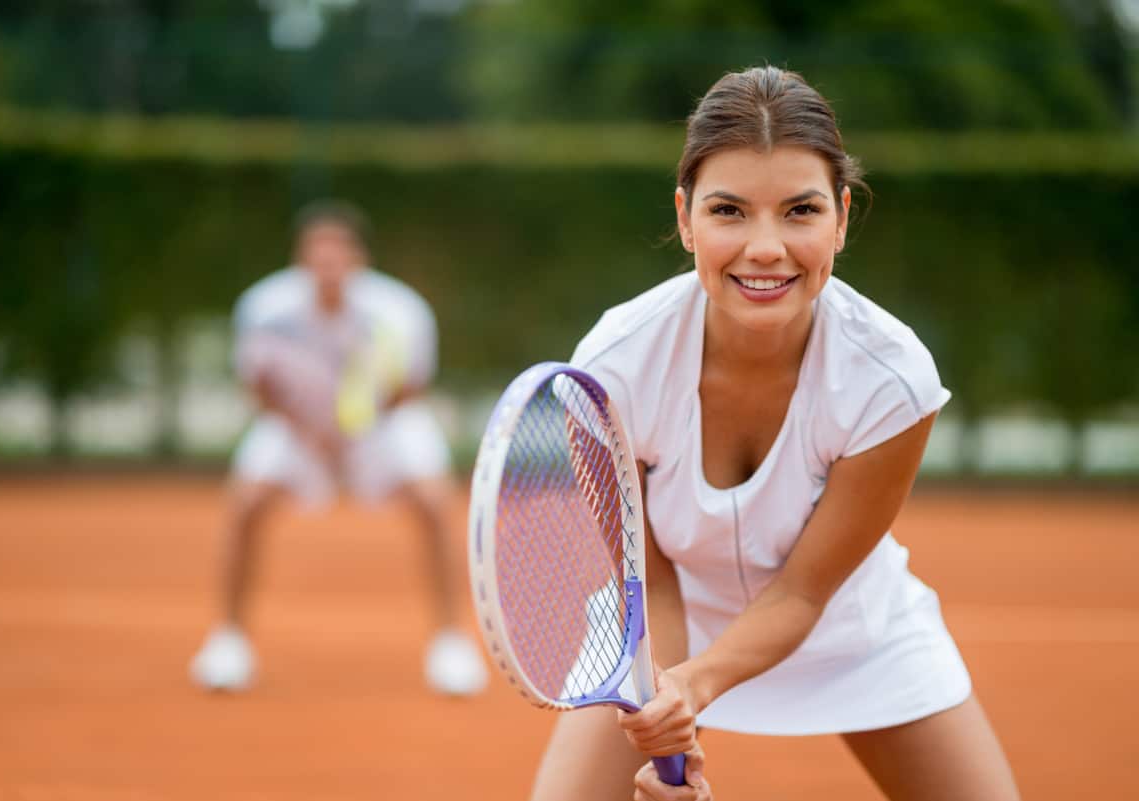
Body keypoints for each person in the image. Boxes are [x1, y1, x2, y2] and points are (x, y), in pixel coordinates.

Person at [534, 67, 1021, 801]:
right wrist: (667, 707)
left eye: (801, 210)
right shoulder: (610, 367)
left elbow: (801, 593)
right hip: (659, 627)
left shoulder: (892, 379)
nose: (766, 247)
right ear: (686, 216)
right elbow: (648, 578)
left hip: (847, 631)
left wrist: (695, 687)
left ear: (842, 219)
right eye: (729, 210)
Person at [189, 200, 487, 698]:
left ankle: (451, 644)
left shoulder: (400, 310)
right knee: (246, 504)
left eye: (338, 255)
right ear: (300, 261)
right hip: (296, 431)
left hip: (384, 428)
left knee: (435, 504)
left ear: (358, 260)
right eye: (316, 255)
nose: (328, 266)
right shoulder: (263, 309)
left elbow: (410, 386)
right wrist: (314, 432)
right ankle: (228, 642)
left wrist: (359, 426)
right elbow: (259, 389)